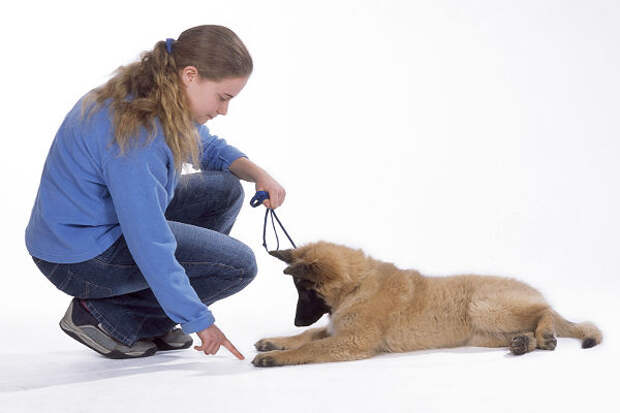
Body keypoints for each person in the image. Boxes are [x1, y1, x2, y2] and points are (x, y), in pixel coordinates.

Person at [25, 25, 285, 359]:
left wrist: (258, 174)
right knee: (238, 265)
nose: (224, 111)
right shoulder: (136, 135)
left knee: (224, 191)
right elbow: (148, 240)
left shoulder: (151, 94)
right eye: (223, 98)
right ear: (190, 75)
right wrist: (197, 319)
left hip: (90, 229)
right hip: (79, 257)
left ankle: (151, 318)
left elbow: (203, 145)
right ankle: (106, 318)